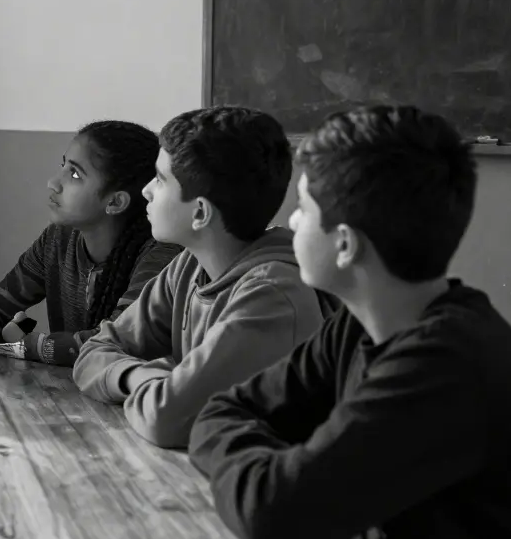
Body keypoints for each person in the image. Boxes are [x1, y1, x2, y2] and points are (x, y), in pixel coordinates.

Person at [188, 105, 511, 539]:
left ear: (345, 245)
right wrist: (276, 469)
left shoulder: (445, 363)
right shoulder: (359, 322)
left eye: (304, 209)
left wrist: (271, 471)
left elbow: (272, 512)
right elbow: (224, 409)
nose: (290, 224)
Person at [73, 106, 326, 448]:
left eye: (160, 180)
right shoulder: (190, 266)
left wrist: (149, 383)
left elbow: (165, 419)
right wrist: (139, 373)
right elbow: (95, 350)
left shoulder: (272, 295)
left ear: (200, 213)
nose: (146, 191)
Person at [0, 120, 179, 366]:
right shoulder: (58, 239)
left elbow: (116, 343)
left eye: (74, 174)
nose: (53, 182)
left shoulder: (161, 257)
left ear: (115, 202)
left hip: (136, 401)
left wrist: (30, 345)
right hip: (67, 397)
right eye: (63, 165)